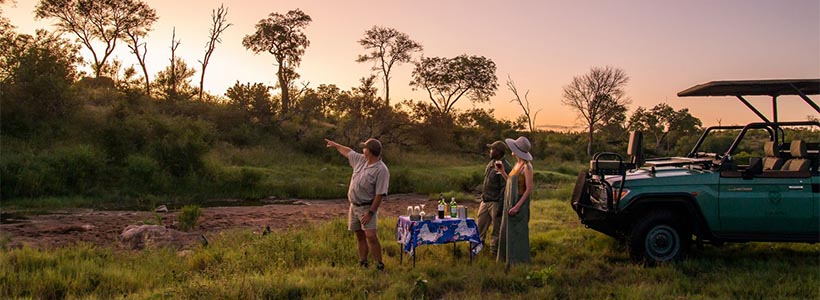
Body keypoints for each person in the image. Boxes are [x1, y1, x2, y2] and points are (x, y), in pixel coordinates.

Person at [325, 138, 390, 271]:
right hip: (354, 206)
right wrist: (336, 145)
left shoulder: (381, 170)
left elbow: (380, 194)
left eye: (365, 148)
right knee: (359, 235)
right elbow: (348, 152)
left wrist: (370, 213)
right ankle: (363, 262)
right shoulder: (360, 160)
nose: (363, 150)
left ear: (369, 152)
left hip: (367, 207)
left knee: (371, 236)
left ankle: (379, 265)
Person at [496, 136, 535, 268]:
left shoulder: (527, 167)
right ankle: (508, 261)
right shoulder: (517, 164)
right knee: (508, 231)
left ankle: (519, 262)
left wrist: (517, 206)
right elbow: (510, 182)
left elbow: (528, 189)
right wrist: (502, 172)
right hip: (510, 202)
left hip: (519, 204)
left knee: (518, 233)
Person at [478, 140, 512, 256]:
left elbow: (505, 189)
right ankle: (477, 250)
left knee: (496, 230)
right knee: (480, 227)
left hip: (496, 202)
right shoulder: (490, 164)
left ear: (498, 152)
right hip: (485, 200)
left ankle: (495, 254)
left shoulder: (506, 167)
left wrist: (501, 207)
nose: (490, 151)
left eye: (492, 149)